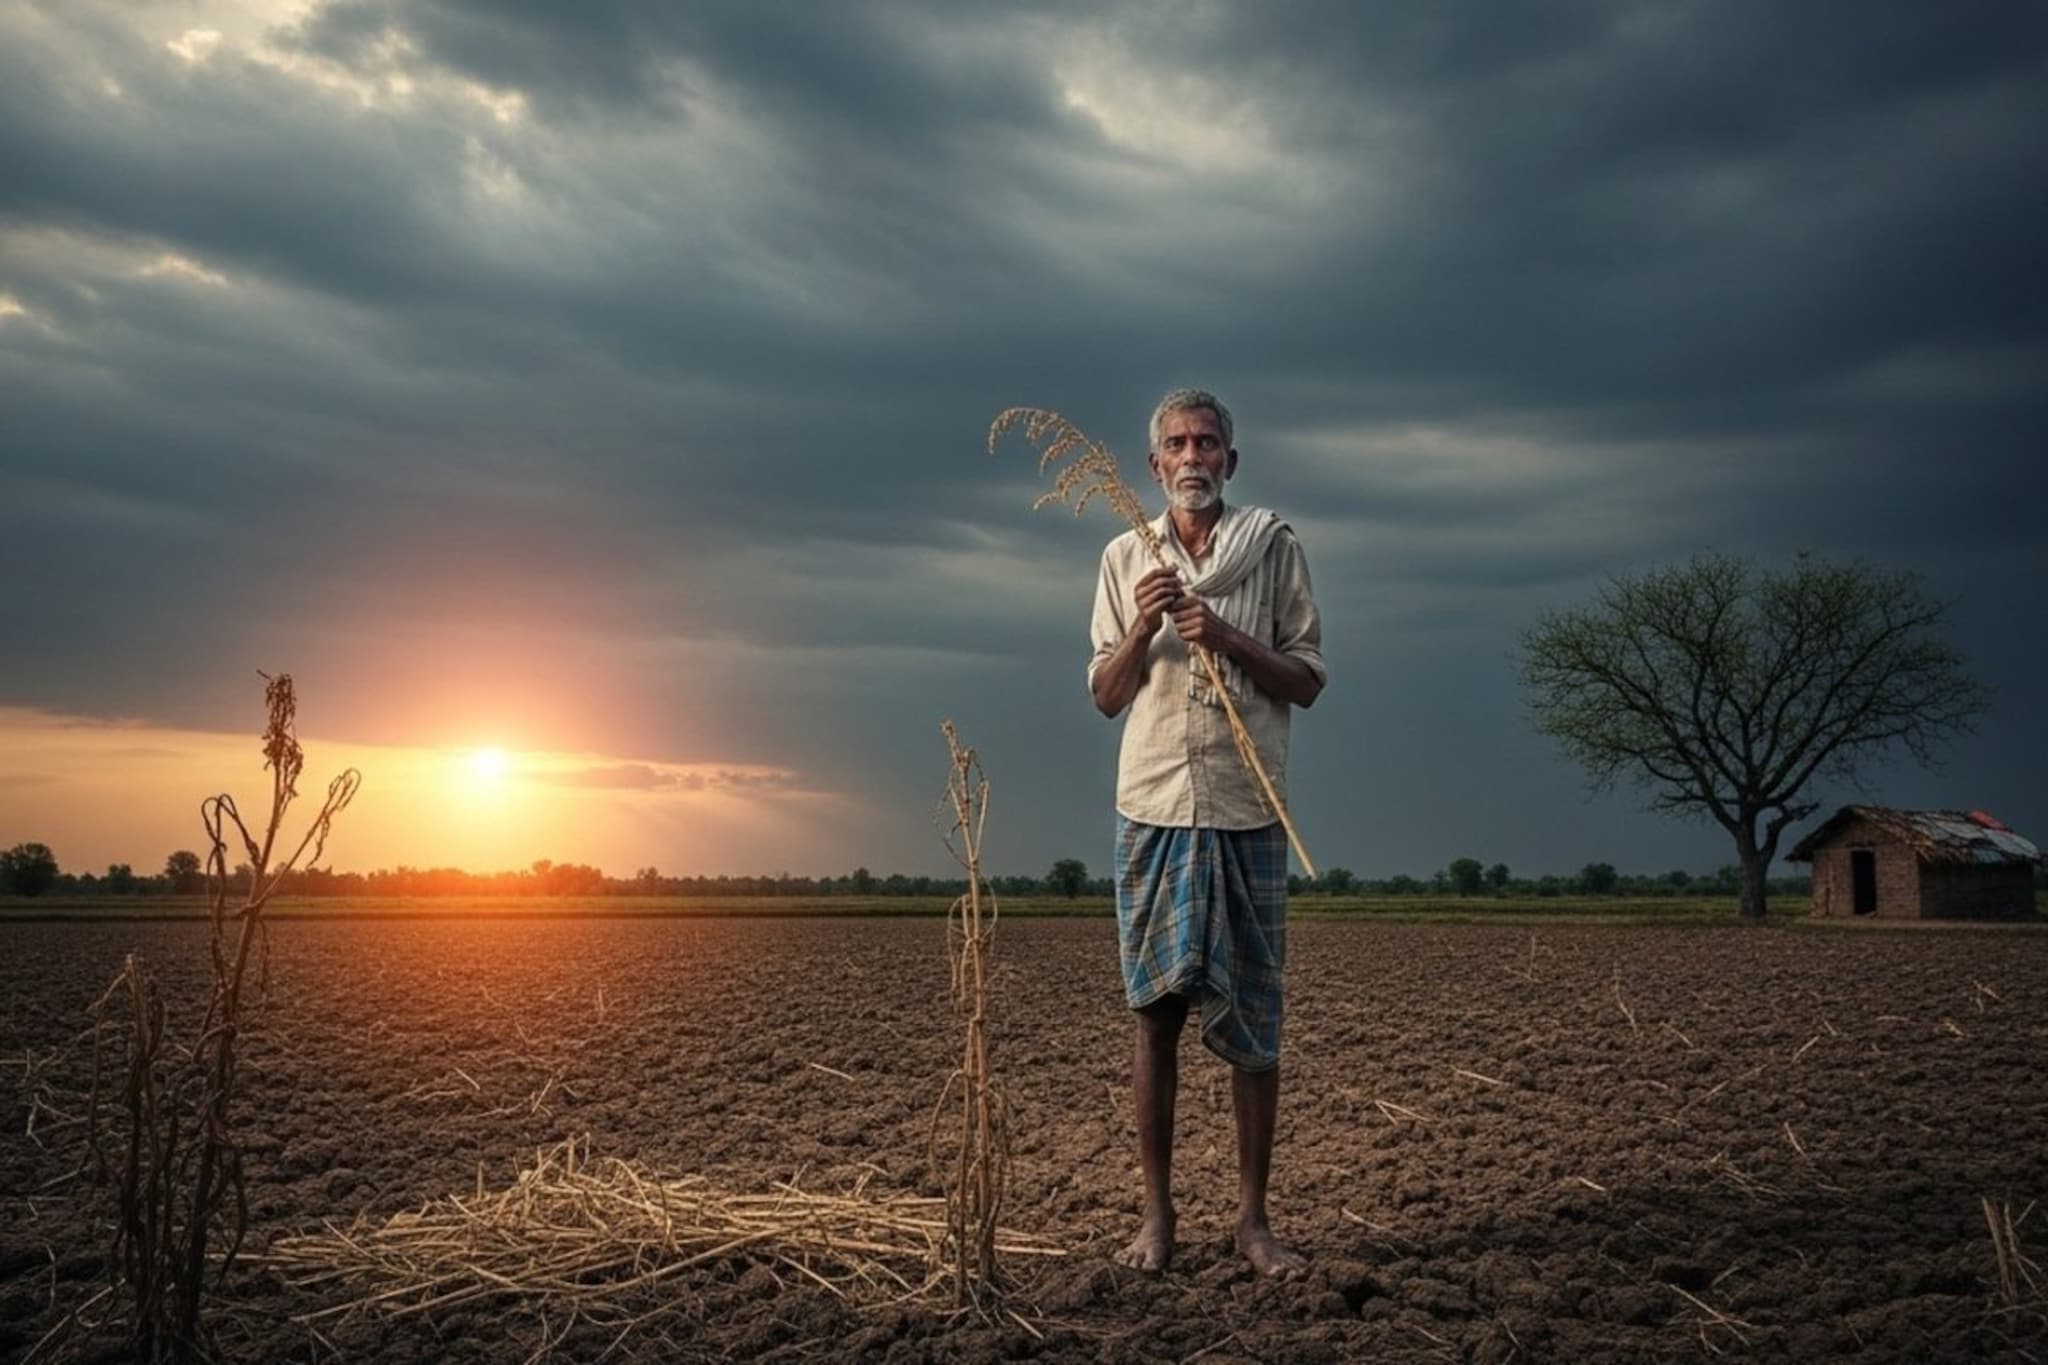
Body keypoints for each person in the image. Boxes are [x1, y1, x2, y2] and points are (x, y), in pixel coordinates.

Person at [1087, 387, 1325, 1277]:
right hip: (1151, 806)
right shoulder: (1124, 557)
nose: (1194, 457)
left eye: (1208, 442)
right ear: (1155, 466)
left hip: (1246, 807)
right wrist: (1144, 625)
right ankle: (1158, 1217)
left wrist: (1224, 636)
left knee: (1255, 1021)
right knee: (1153, 1015)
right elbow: (1106, 695)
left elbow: (1307, 679)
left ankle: (1253, 1221)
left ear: (1232, 459)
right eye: (1178, 445)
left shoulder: (1274, 547)